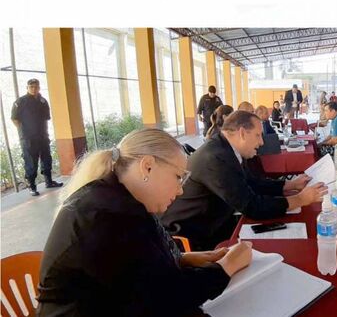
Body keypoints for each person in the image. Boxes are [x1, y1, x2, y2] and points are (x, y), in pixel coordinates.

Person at [37, 128, 253, 316]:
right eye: (178, 177)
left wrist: (187, 258)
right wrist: (227, 266)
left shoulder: (119, 198)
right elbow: (169, 298)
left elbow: (135, 267)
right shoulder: (106, 216)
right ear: (147, 166)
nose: (180, 190)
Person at [161, 111, 327, 250]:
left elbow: (252, 182)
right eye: (257, 135)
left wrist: (289, 184)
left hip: (217, 222)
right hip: (193, 235)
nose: (261, 142)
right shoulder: (216, 157)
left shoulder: (226, 148)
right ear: (242, 133)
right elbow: (251, 206)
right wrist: (299, 199)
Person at [11, 79, 63, 196]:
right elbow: (14, 119)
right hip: (28, 138)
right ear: (27, 88)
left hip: (42, 136)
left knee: (46, 159)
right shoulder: (20, 102)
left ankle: (49, 181)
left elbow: (46, 118)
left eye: (36, 87)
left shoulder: (43, 101)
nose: (34, 89)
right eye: (31, 87)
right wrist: (23, 131)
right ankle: (32, 186)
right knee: (31, 162)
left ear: (39, 88)